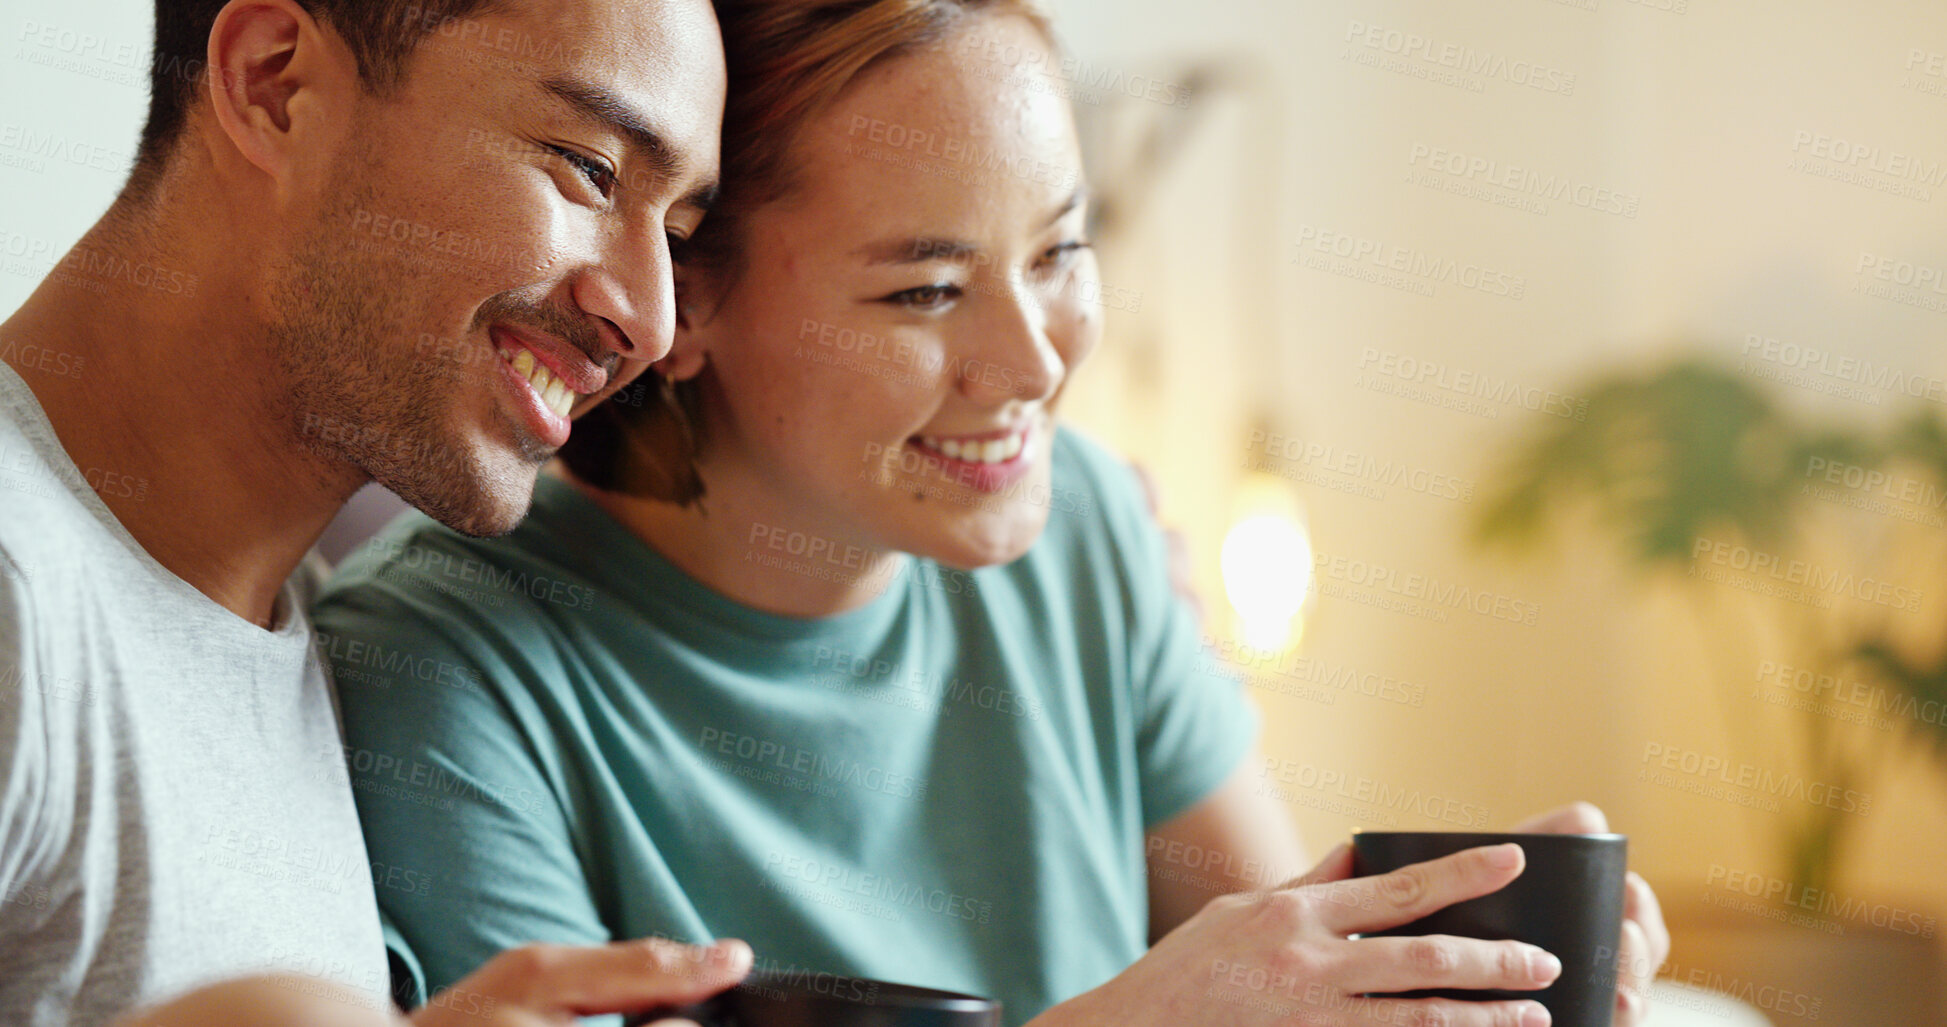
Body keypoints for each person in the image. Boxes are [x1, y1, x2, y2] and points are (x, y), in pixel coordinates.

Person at [317, 1, 1671, 1025]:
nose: (1031, 365)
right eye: (922, 292)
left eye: (1059, 251)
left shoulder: (1073, 524)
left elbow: (1284, 964)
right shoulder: (442, 674)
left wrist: (1465, 969)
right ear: (688, 296)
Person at [0, 0, 758, 1024]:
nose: (650, 321)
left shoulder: (328, 644)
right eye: (589, 168)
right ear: (276, 85)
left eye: (676, 232)